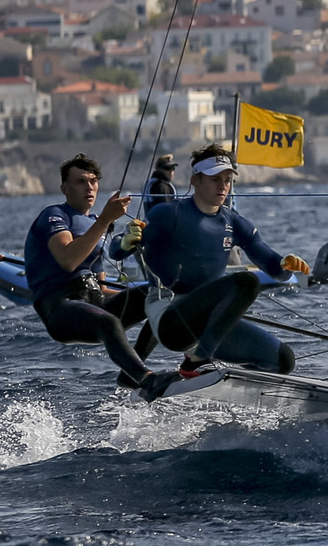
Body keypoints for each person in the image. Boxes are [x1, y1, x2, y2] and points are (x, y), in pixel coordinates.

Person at [116, 144, 309, 376]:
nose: (223, 186)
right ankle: (198, 361)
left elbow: (274, 268)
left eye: (228, 179)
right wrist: (125, 242)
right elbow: (116, 251)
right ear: (195, 180)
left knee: (283, 360)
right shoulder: (168, 214)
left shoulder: (234, 222)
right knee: (246, 282)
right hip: (171, 319)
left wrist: (286, 265)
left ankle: (226, 384)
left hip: (209, 325)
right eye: (215, 179)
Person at [23, 154, 178, 401]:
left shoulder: (94, 222)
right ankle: (146, 379)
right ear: (65, 188)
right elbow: (68, 259)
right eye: (80, 181)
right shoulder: (54, 215)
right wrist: (106, 219)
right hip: (60, 308)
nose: (89, 187)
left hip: (94, 301)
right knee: (109, 323)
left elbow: (101, 283)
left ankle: (133, 373)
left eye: (93, 181)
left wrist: (143, 301)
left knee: (160, 296)